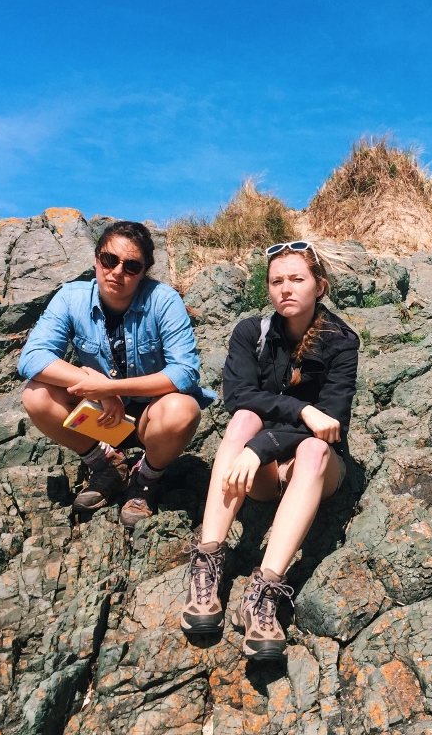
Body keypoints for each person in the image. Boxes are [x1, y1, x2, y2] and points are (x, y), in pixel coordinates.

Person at [179, 241, 359, 661]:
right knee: (242, 419)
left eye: (297, 279)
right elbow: (238, 395)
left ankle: (264, 591)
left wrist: (265, 444)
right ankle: (207, 562)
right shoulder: (250, 333)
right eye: (277, 281)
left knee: (314, 448)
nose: (286, 289)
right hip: (259, 473)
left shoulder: (342, 342)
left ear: (320, 286)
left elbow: (330, 426)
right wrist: (298, 413)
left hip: (313, 470)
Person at [18, 220, 215, 528]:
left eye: (132, 266)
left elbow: (185, 372)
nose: (118, 271)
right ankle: (107, 464)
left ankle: (145, 477)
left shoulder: (163, 300)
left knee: (183, 409)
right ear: (97, 258)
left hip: (153, 417)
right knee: (36, 395)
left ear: (143, 271)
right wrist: (103, 392)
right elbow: (32, 358)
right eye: (110, 260)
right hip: (103, 419)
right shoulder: (71, 298)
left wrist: (113, 385)